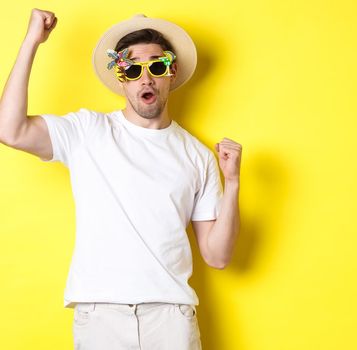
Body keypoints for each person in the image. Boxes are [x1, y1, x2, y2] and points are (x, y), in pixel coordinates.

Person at [0, 8, 242, 350]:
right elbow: (10, 130)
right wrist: (31, 41)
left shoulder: (197, 156)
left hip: (171, 317)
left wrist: (232, 183)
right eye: (132, 68)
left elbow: (217, 256)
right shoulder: (88, 131)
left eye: (157, 67)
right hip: (101, 317)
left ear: (171, 74)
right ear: (120, 77)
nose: (146, 79)